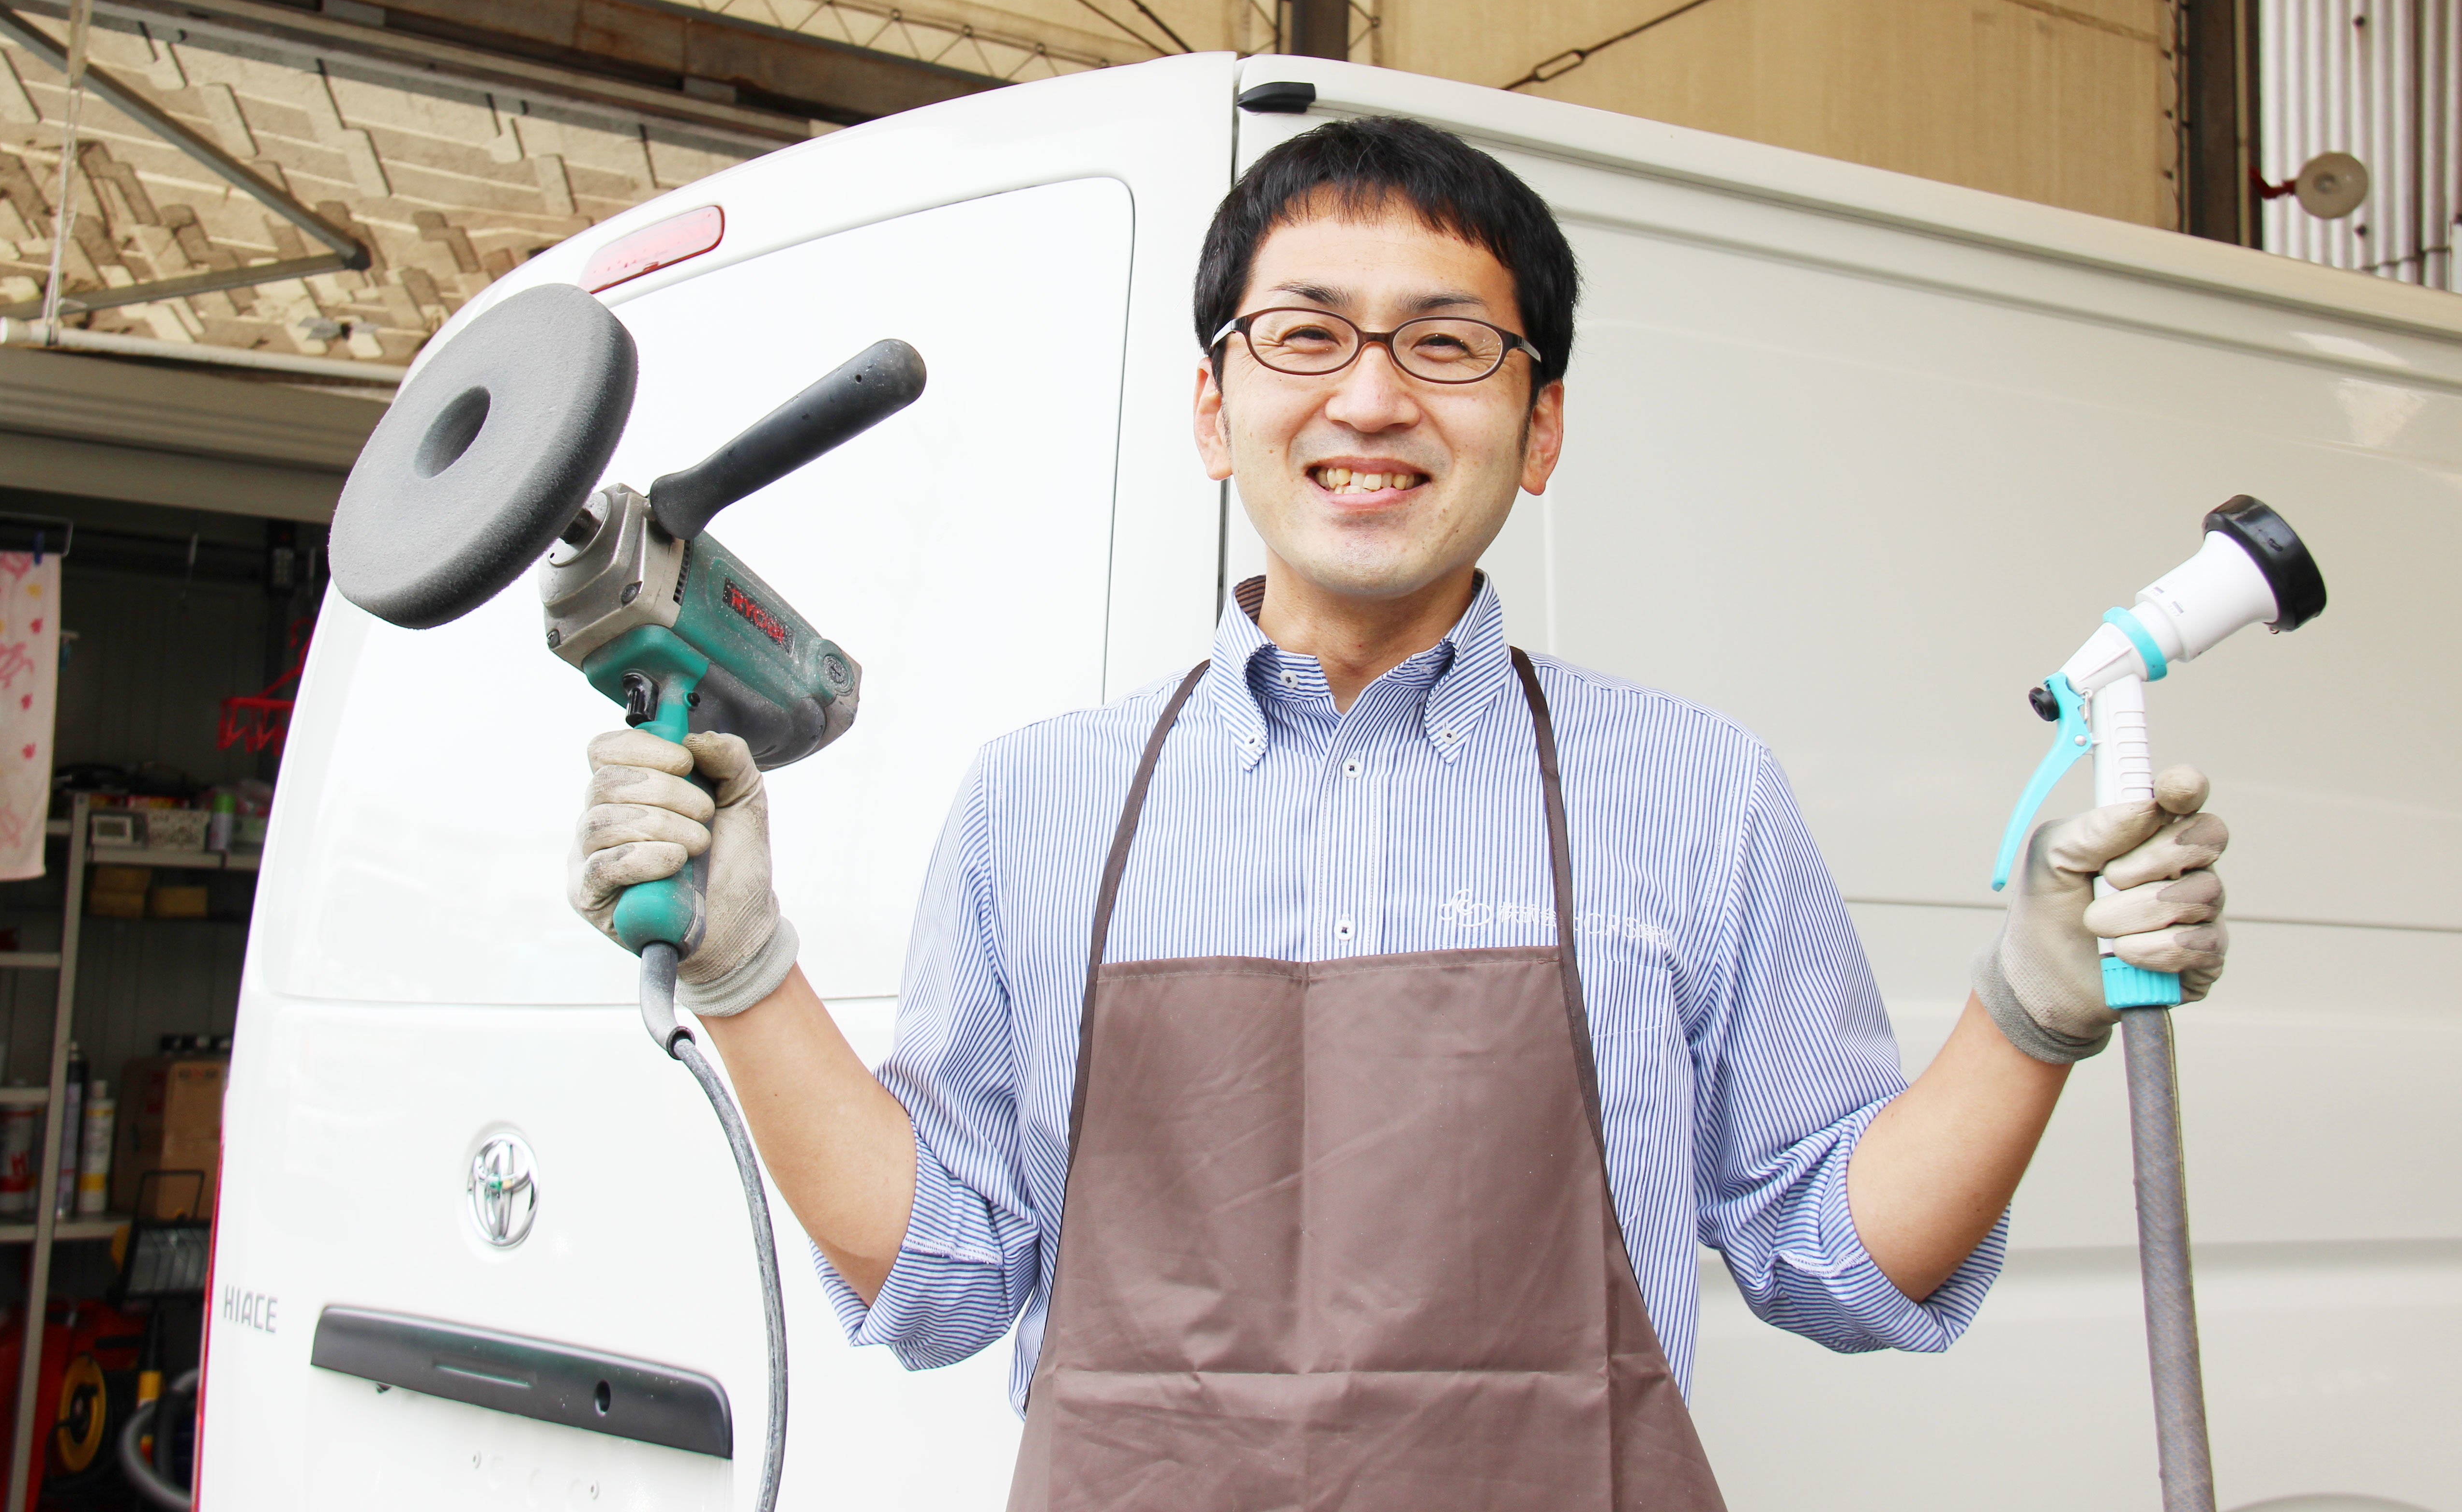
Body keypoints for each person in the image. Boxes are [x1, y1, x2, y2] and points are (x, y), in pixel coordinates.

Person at [569, 118, 2232, 1509]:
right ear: (1216, 411)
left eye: (1447, 342)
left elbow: (1838, 1260)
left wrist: (2026, 1021)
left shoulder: (1694, 791)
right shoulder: (1043, 801)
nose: (1371, 400)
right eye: (1305, 336)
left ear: (1545, 423)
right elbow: (941, 1275)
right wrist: (746, 977)